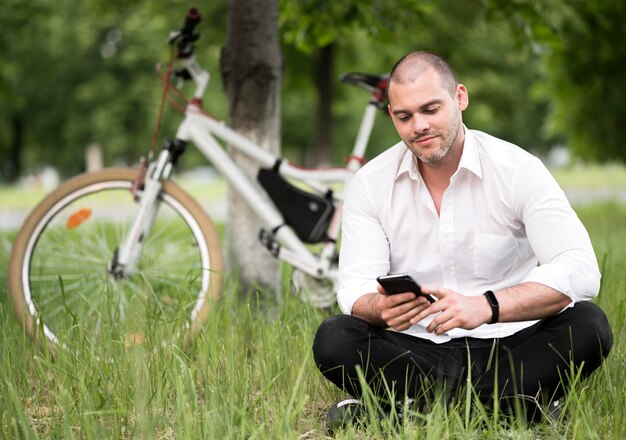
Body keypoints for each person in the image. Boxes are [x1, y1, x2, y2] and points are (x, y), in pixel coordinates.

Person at [312, 51, 613, 430]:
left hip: (509, 341)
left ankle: (403, 411)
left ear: (460, 98)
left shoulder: (518, 169)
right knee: (335, 337)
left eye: (431, 109)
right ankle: (515, 408)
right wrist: (379, 308)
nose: (419, 125)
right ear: (392, 116)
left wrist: (487, 306)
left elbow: (582, 270)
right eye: (404, 116)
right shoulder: (371, 183)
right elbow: (354, 287)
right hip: (417, 346)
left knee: (589, 324)